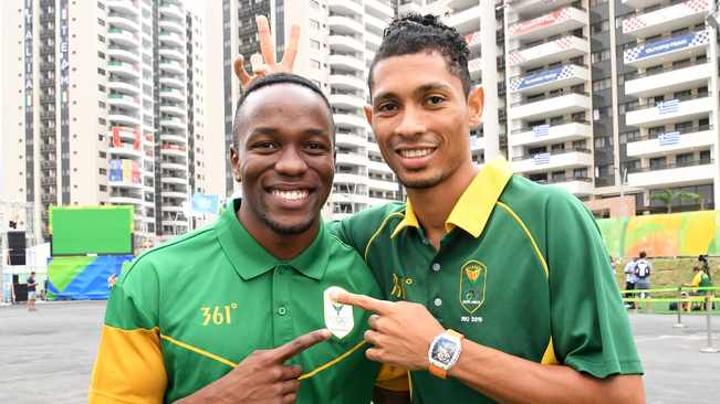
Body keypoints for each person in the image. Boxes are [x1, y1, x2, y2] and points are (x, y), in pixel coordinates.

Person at [324, 13, 645, 403]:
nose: (409, 126)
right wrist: (275, 106)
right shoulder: (370, 237)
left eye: (433, 100)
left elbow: (623, 396)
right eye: (390, 106)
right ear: (371, 119)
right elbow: (288, 240)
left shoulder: (550, 217)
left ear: (474, 106)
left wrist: (440, 349)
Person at [89, 72, 407, 403]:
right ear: (236, 161)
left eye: (313, 146)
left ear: (333, 161)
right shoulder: (151, 279)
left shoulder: (370, 277)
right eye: (267, 145)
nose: (291, 165)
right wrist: (220, 399)